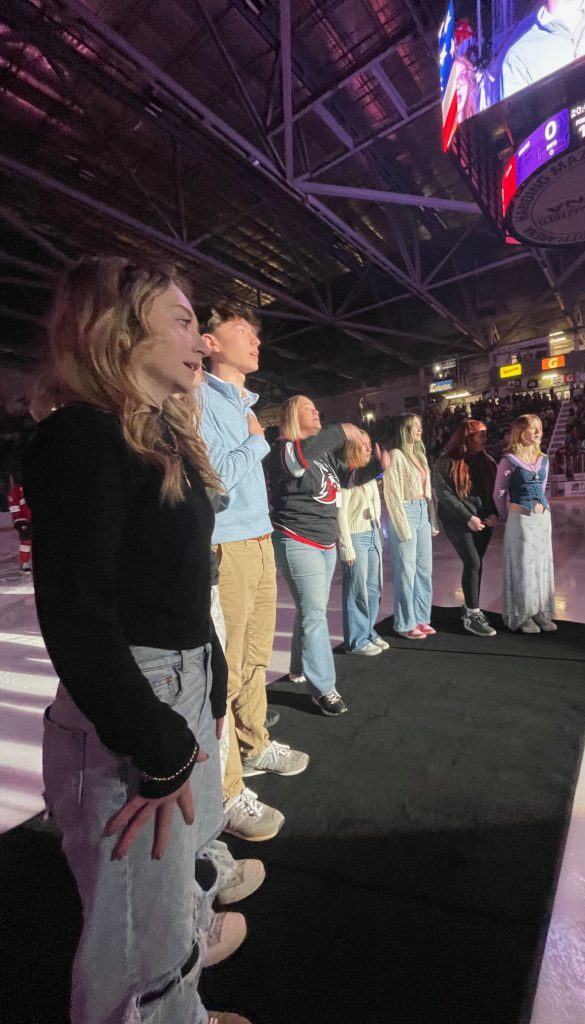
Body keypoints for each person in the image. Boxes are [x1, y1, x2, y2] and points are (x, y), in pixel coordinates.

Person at [24, 256, 254, 1024]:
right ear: (122, 330)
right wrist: (155, 739)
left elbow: (177, 582)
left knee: (164, 897)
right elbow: (77, 617)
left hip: (173, 690)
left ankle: (178, 1003)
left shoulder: (157, 434)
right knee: (131, 929)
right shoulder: (80, 439)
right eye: (185, 320)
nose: (205, 339)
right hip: (132, 710)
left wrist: (209, 673)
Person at [199, 302, 308, 843]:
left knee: (257, 656)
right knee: (229, 667)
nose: (255, 341)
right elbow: (214, 478)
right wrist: (258, 440)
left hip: (259, 538)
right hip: (227, 545)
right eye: (242, 332)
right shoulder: (199, 397)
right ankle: (226, 789)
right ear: (210, 342)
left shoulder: (244, 403)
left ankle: (255, 740)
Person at [267, 396, 380, 716]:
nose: (317, 413)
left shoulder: (322, 454)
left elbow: (349, 478)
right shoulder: (283, 450)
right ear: (292, 415)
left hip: (324, 543)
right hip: (297, 539)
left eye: (318, 409)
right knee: (315, 613)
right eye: (309, 410)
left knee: (310, 610)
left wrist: (377, 466)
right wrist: (342, 428)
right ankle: (324, 688)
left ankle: (297, 668)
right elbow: (294, 464)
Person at [433, 420, 498, 637]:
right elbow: (445, 495)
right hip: (457, 520)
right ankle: (472, 614)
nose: (485, 438)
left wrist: (493, 514)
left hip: (481, 521)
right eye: (481, 435)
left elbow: (493, 493)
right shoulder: (446, 462)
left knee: (476, 565)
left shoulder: (487, 461)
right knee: (472, 561)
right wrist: (467, 516)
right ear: (468, 438)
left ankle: (472, 607)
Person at [493, 414, 556, 634]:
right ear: (520, 432)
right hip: (520, 520)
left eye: (540, 427)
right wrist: (505, 516)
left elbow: (543, 487)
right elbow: (498, 494)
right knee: (524, 567)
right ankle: (522, 614)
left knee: (541, 566)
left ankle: (540, 611)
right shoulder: (508, 460)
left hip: (543, 520)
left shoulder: (544, 459)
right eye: (533, 428)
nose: (538, 432)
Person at [383, 413, 437, 640]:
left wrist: (432, 520)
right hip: (406, 511)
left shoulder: (420, 455)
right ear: (404, 428)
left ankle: (422, 617)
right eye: (415, 426)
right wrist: (401, 524)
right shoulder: (396, 455)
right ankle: (405, 622)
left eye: (420, 425)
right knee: (406, 571)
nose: (420, 429)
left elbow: (429, 493)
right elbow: (392, 494)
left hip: (422, 512)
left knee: (424, 569)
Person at [338, 430, 389, 656]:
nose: (369, 448)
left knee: (373, 587)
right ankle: (356, 640)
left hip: (372, 532)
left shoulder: (368, 474)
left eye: (370, 444)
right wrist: (345, 544)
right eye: (364, 445)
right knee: (357, 589)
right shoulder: (346, 474)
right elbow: (340, 512)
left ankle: (368, 630)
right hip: (355, 536)